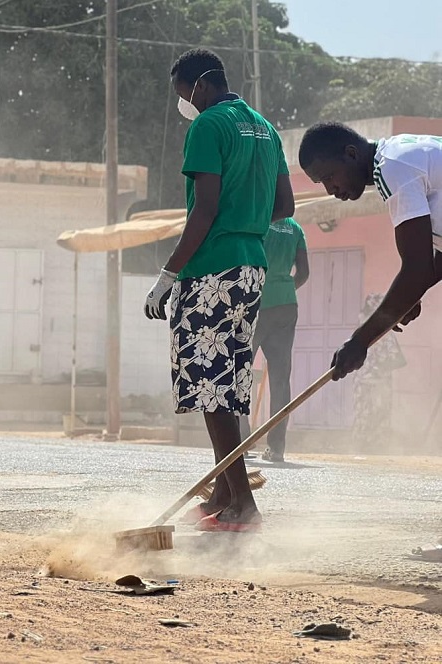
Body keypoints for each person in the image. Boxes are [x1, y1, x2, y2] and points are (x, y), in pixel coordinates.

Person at [143, 49, 294, 532]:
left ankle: (243, 508)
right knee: (228, 386)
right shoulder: (265, 128)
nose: (184, 103)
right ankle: (225, 495)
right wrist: (244, 218)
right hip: (252, 271)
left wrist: (169, 274)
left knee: (209, 389)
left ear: (202, 85)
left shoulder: (208, 125)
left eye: (184, 94)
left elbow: (202, 212)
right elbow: (284, 205)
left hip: (211, 271)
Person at [297, 123, 440, 383]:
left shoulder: (393, 167)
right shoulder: (398, 155)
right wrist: (406, 297)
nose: (330, 190)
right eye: (322, 183)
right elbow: (429, 266)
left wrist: (360, 340)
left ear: (351, 154)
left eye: (329, 177)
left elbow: (416, 269)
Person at [238, 217, 310, 462]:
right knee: (280, 380)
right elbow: (304, 272)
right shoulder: (295, 228)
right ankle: (277, 449)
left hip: (255, 304)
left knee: (240, 373)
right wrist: (285, 288)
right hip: (286, 306)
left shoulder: (257, 220)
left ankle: (242, 443)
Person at [350, 294, 405, 448]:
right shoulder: (382, 331)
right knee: (375, 415)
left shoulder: (361, 330)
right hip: (375, 382)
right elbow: (395, 358)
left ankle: (362, 446)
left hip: (365, 382)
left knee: (364, 415)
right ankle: (373, 447)